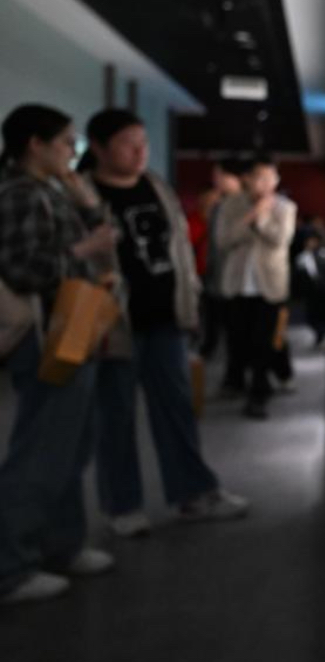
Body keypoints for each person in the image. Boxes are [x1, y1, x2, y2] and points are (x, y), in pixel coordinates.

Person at [80, 109, 249, 536]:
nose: (139, 152)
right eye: (127, 144)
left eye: (143, 142)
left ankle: (192, 492)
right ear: (98, 148)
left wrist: (188, 307)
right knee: (115, 415)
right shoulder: (82, 195)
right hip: (110, 322)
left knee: (175, 409)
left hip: (165, 317)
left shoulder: (156, 186)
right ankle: (122, 504)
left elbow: (180, 253)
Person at [0, 105, 118, 603]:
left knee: (70, 440)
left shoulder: (52, 190)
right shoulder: (21, 194)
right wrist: (84, 251)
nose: (73, 152)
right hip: (49, 330)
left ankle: (60, 543)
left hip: (73, 326)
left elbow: (103, 236)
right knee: (44, 445)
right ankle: (12, 565)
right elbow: (23, 268)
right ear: (35, 144)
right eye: (66, 142)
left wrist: (86, 202)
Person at [217, 155, 297, 419]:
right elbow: (223, 241)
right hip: (237, 284)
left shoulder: (285, 208)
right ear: (247, 179)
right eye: (259, 177)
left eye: (270, 178)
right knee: (238, 340)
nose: (265, 183)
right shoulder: (230, 204)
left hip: (270, 285)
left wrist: (262, 218)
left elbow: (280, 240)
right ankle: (239, 381)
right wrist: (251, 215)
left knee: (265, 342)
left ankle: (259, 394)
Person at [191, 158, 243, 358]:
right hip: (214, 272)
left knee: (237, 327)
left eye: (219, 175)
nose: (216, 180)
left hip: (237, 277)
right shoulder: (218, 206)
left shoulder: (244, 205)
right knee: (214, 318)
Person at [295, 232, 325, 350]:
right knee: (313, 317)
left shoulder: (324, 255)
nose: (312, 243)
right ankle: (321, 336)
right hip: (311, 293)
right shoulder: (302, 258)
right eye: (309, 240)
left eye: (314, 240)